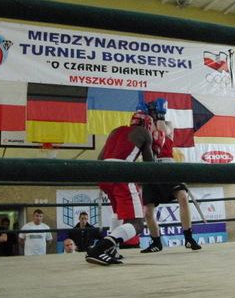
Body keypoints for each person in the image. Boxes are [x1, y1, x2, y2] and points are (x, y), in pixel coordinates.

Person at [85, 111, 156, 266]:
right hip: (122, 175)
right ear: (148, 124)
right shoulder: (144, 133)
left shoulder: (115, 131)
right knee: (138, 224)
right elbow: (150, 165)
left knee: (117, 213)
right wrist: (155, 150)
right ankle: (100, 249)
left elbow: (100, 158)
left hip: (103, 174)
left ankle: (110, 250)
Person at [141, 99, 201, 253]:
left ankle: (188, 238)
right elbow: (148, 135)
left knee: (182, 197)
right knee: (147, 210)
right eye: (152, 111)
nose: (154, 114)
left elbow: (162, 133)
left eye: (155, 111)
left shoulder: (168, 124)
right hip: (150, 168)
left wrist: (160, 116)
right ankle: (156, 242)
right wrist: (148, 117)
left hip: (168, 165)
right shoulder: (144, 127)